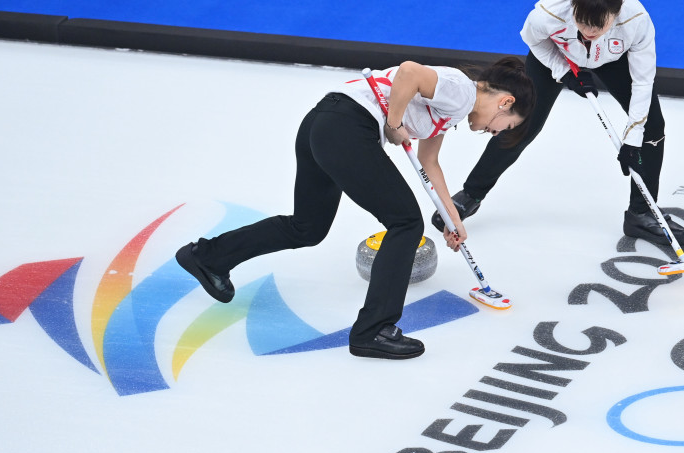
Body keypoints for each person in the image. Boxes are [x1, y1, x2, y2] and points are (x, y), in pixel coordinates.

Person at [176, 57, 534, 360]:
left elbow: (431, 162)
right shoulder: (461, 90)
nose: (494, 132)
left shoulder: (452, 108)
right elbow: (409, 72)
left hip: (323, 123)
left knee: (308, 226)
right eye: (506, 127)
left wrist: (453, 220)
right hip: (348, 126)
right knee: (406, 222)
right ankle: (373, 330)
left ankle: (208, 257)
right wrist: (393, 124)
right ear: (505, 102)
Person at [430, 0, 684, 247]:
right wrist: (563, 70)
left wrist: (632, 139)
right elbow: (533, 39)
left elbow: (642, 82)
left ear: (616, 13)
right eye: (582, 22)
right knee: (521, 124)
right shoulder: (549, 12)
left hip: (614, 60)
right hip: (556, 54)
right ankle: (472, 194)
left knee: (651, 127)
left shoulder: (636, 21)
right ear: (573, 6)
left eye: (599, 25)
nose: (590, 32)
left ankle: (641, 213)